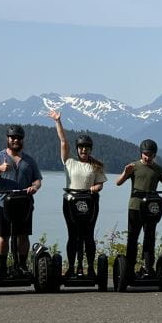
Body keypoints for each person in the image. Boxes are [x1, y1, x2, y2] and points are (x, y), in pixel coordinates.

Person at [48, 110, 107, 278]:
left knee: (88, 235)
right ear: (77, 149)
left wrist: (96, 187)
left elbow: (100, 183)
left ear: (90, 150)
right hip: (70, 202)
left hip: (90, 202)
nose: (84, 150)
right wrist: (58, 121)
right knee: (73, 235)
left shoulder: (96, 166)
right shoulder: (69, 162)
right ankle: (72, 268)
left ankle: (89, 268)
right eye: (81, 147)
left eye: (87, 148)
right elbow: (63, 141)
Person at [0, 124, 42, 277]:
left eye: (19, 138)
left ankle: (22, 266)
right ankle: (3, 267)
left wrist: (34, 187)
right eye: (13, 137)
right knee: (3, 236)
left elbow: (37, 180)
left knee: (23, 235)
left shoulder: (29, 160)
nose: (16, 140)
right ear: (8, 139)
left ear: (22, 140)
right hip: (3, 203)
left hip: (24, 204)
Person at [115, 139, 162, 276]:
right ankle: (129, 268)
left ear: (155, 155)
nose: (148, 157)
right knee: (132, 238)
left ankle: (148, 268)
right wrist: (125, 173)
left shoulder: (157, 169)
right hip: (135, 207)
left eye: (151, 155)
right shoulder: (134, 166)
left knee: (149, 239)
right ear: (141, 154)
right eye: (146, 154)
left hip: (151, 209)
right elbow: (118, 182)